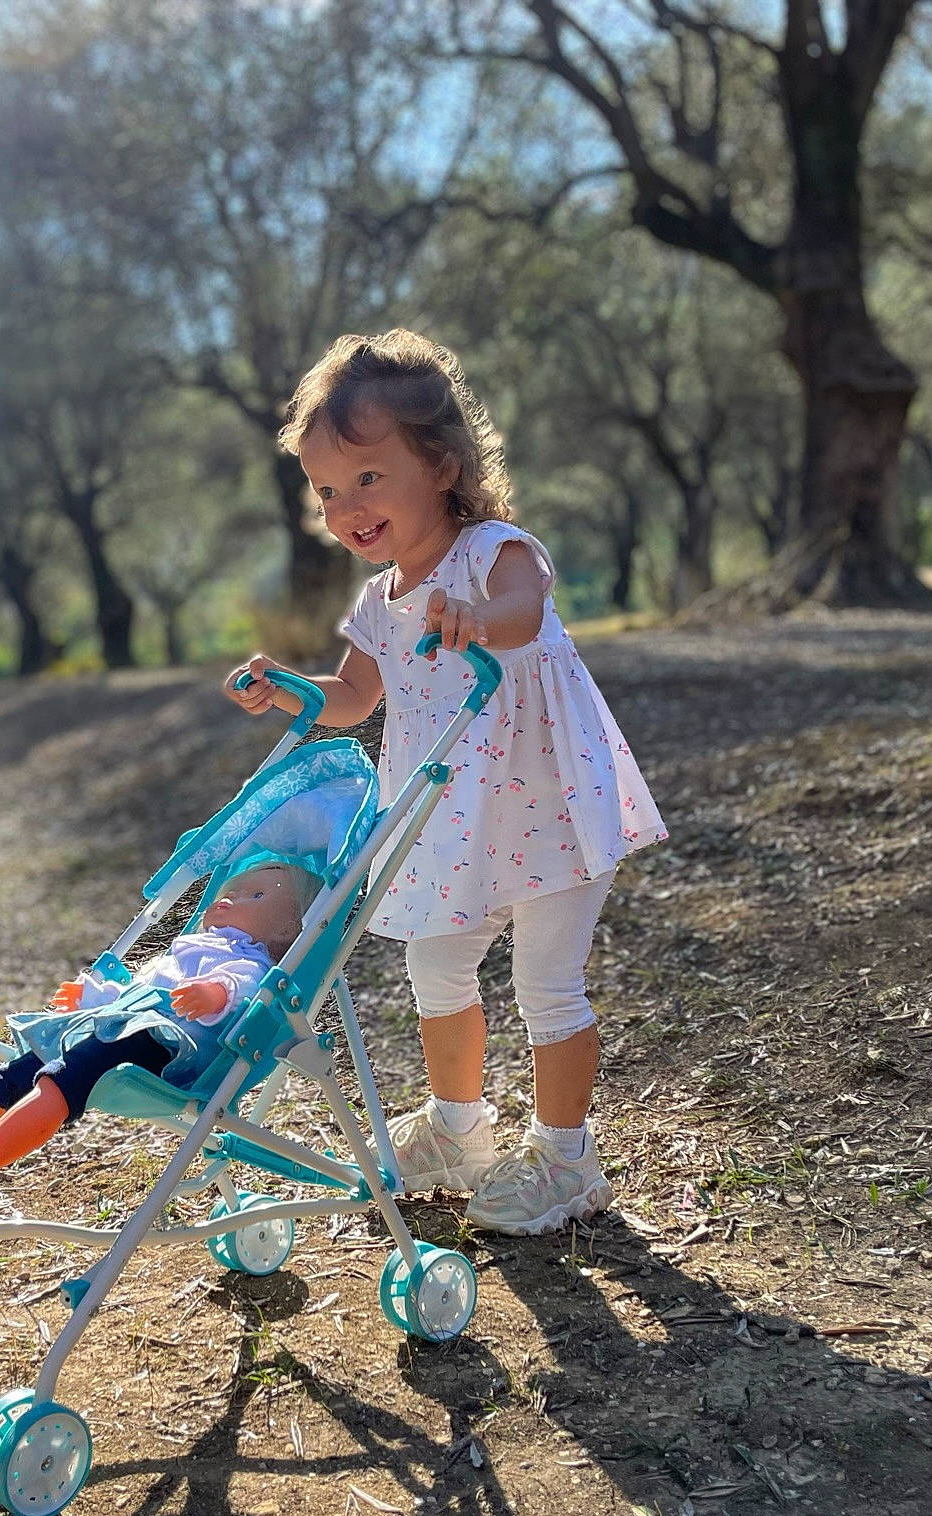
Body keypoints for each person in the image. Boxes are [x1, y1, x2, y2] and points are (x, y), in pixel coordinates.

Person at [225, 329, 666, 1235]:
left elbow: (522, 613)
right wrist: (292, 691)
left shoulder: (495, 552)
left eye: (368, 477)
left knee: (548, 982)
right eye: (327, 491)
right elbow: (354, 697)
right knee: (437, 968)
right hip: (451, 821)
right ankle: (459, 1131)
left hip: (546, 803)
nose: (346, 506)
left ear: (440, 461)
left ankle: (565, 1156)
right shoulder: (380, 601)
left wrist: (475, 616)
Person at [0, 859, 321, 1183]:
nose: (231, 896)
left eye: (255, 896)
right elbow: (139, 991)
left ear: (285, 930)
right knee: (27, 1064)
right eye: (234, 889)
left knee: (68, 1070)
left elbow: (241, 989)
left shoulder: (248, 959)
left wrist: (213, 993)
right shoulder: (190, 947)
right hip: (130, 1023)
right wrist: (94, 997)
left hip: (166, 1044)